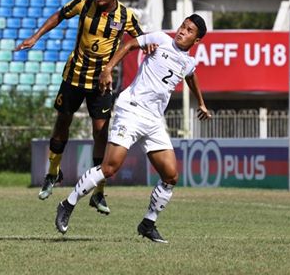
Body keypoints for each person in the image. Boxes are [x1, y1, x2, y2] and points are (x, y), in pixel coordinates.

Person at [55, 14, 211, 243]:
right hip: (131, 109)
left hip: (154, 120)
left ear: (196, 40)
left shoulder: (188, 62)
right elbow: (130, 44)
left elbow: (191, 76)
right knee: (109, 168)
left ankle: (148, 223)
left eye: (189, 31)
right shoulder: (161, 39)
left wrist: (201, 102)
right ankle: (67, 204)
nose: (182, 31)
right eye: (182, 26)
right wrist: (108, 69)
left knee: (171, 175)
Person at [15, 0, 145, 215]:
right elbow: (59, 15)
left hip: (101, 84)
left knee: (100, 133)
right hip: (73, 77)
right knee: (62, 122)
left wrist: (147, 52)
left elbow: (141, 40)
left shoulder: (126, 17)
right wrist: (35, 37)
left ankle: (98, 192)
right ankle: (53, 172)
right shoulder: (83, 4)